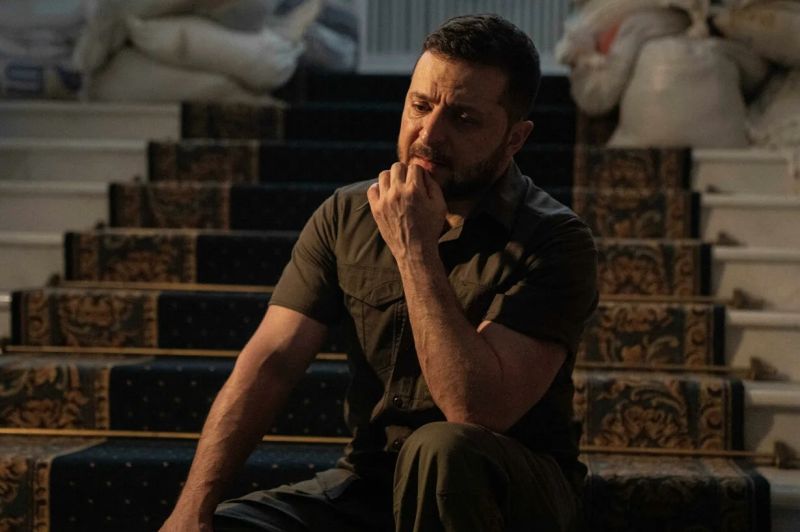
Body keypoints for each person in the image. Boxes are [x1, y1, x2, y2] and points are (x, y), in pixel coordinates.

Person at [161, 13, 598, 532]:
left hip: (505, 489)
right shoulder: (346, 214)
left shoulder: (555, 240)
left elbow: (477, 409)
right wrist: (192, 509)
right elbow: (272, 363)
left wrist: (414, 248)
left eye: (463, 119)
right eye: (420, 105)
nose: (428, 134)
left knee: (442, 448)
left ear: (514, 139)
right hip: (373, 482)